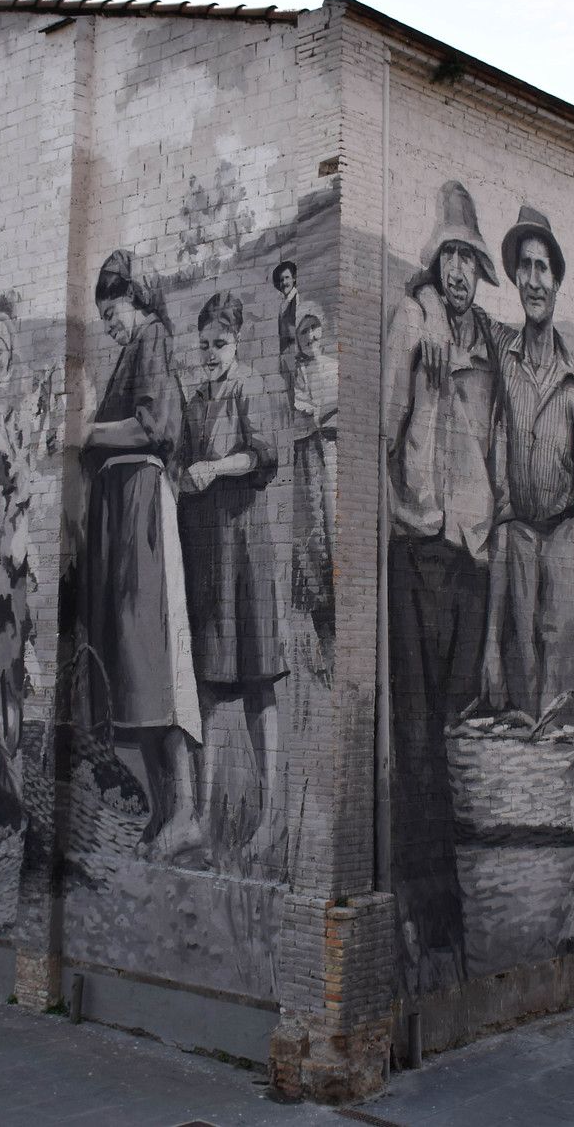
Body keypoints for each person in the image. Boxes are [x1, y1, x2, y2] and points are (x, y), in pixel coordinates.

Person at [385, 179, 502, 991]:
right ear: (436, 261)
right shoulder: (412, 322)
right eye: (450, 255)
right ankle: (431, 914)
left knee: (459, 722)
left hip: (470, 555)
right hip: (419, 548)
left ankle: (455, 905)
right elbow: (386, 425)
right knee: (419, 738)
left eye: (469, 258)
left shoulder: (484, 340)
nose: (458, 270)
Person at [80, 249, 203, 860]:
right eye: (105, 319)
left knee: (155, 659)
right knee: (134, 665)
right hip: (122, 511)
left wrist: (90, 432)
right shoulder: (134, 348)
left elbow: (154, 427)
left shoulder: (153, 337)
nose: (112, 325)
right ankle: (162, 812)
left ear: (139, 299)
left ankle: (185, 812)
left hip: (143, 510)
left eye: (114, 312)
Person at [479, 207, 574, 720]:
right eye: (525, 267)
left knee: (562, 662)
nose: (533, 280)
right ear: (515, 277)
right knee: (520, 666)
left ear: (556, 281)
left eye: (543, 269)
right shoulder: (502, 348)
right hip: (517, 538)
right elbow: (454, 303)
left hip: (562, 536)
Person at [178, 291, 285, 863]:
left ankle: (269, 816)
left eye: (219, 344)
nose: (211, 354)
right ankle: (200, 815)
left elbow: (265, 457)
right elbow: (181, 464)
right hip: (210, 554)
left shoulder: (250, 387)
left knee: (258, 680)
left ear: (236, 342)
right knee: (210, 685)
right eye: (204, 346)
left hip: (248, 550)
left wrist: (215, 468)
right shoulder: (196, 401)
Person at [288, 310, 338, 647]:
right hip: (310, 457)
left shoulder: (335, 367)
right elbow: (305, 417)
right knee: (315, 534)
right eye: (303, 331)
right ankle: (324, 628)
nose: (310, 337)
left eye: (314, 329)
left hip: (335, 452)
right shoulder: (297, 374)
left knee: (336, 529)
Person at [273, 260, 302, 355]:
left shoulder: (297, 298)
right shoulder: (283, 303)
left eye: (287, 277)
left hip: (295, 348)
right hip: (285, 350)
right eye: (281, 280)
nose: (284, 282)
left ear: (293, 278)